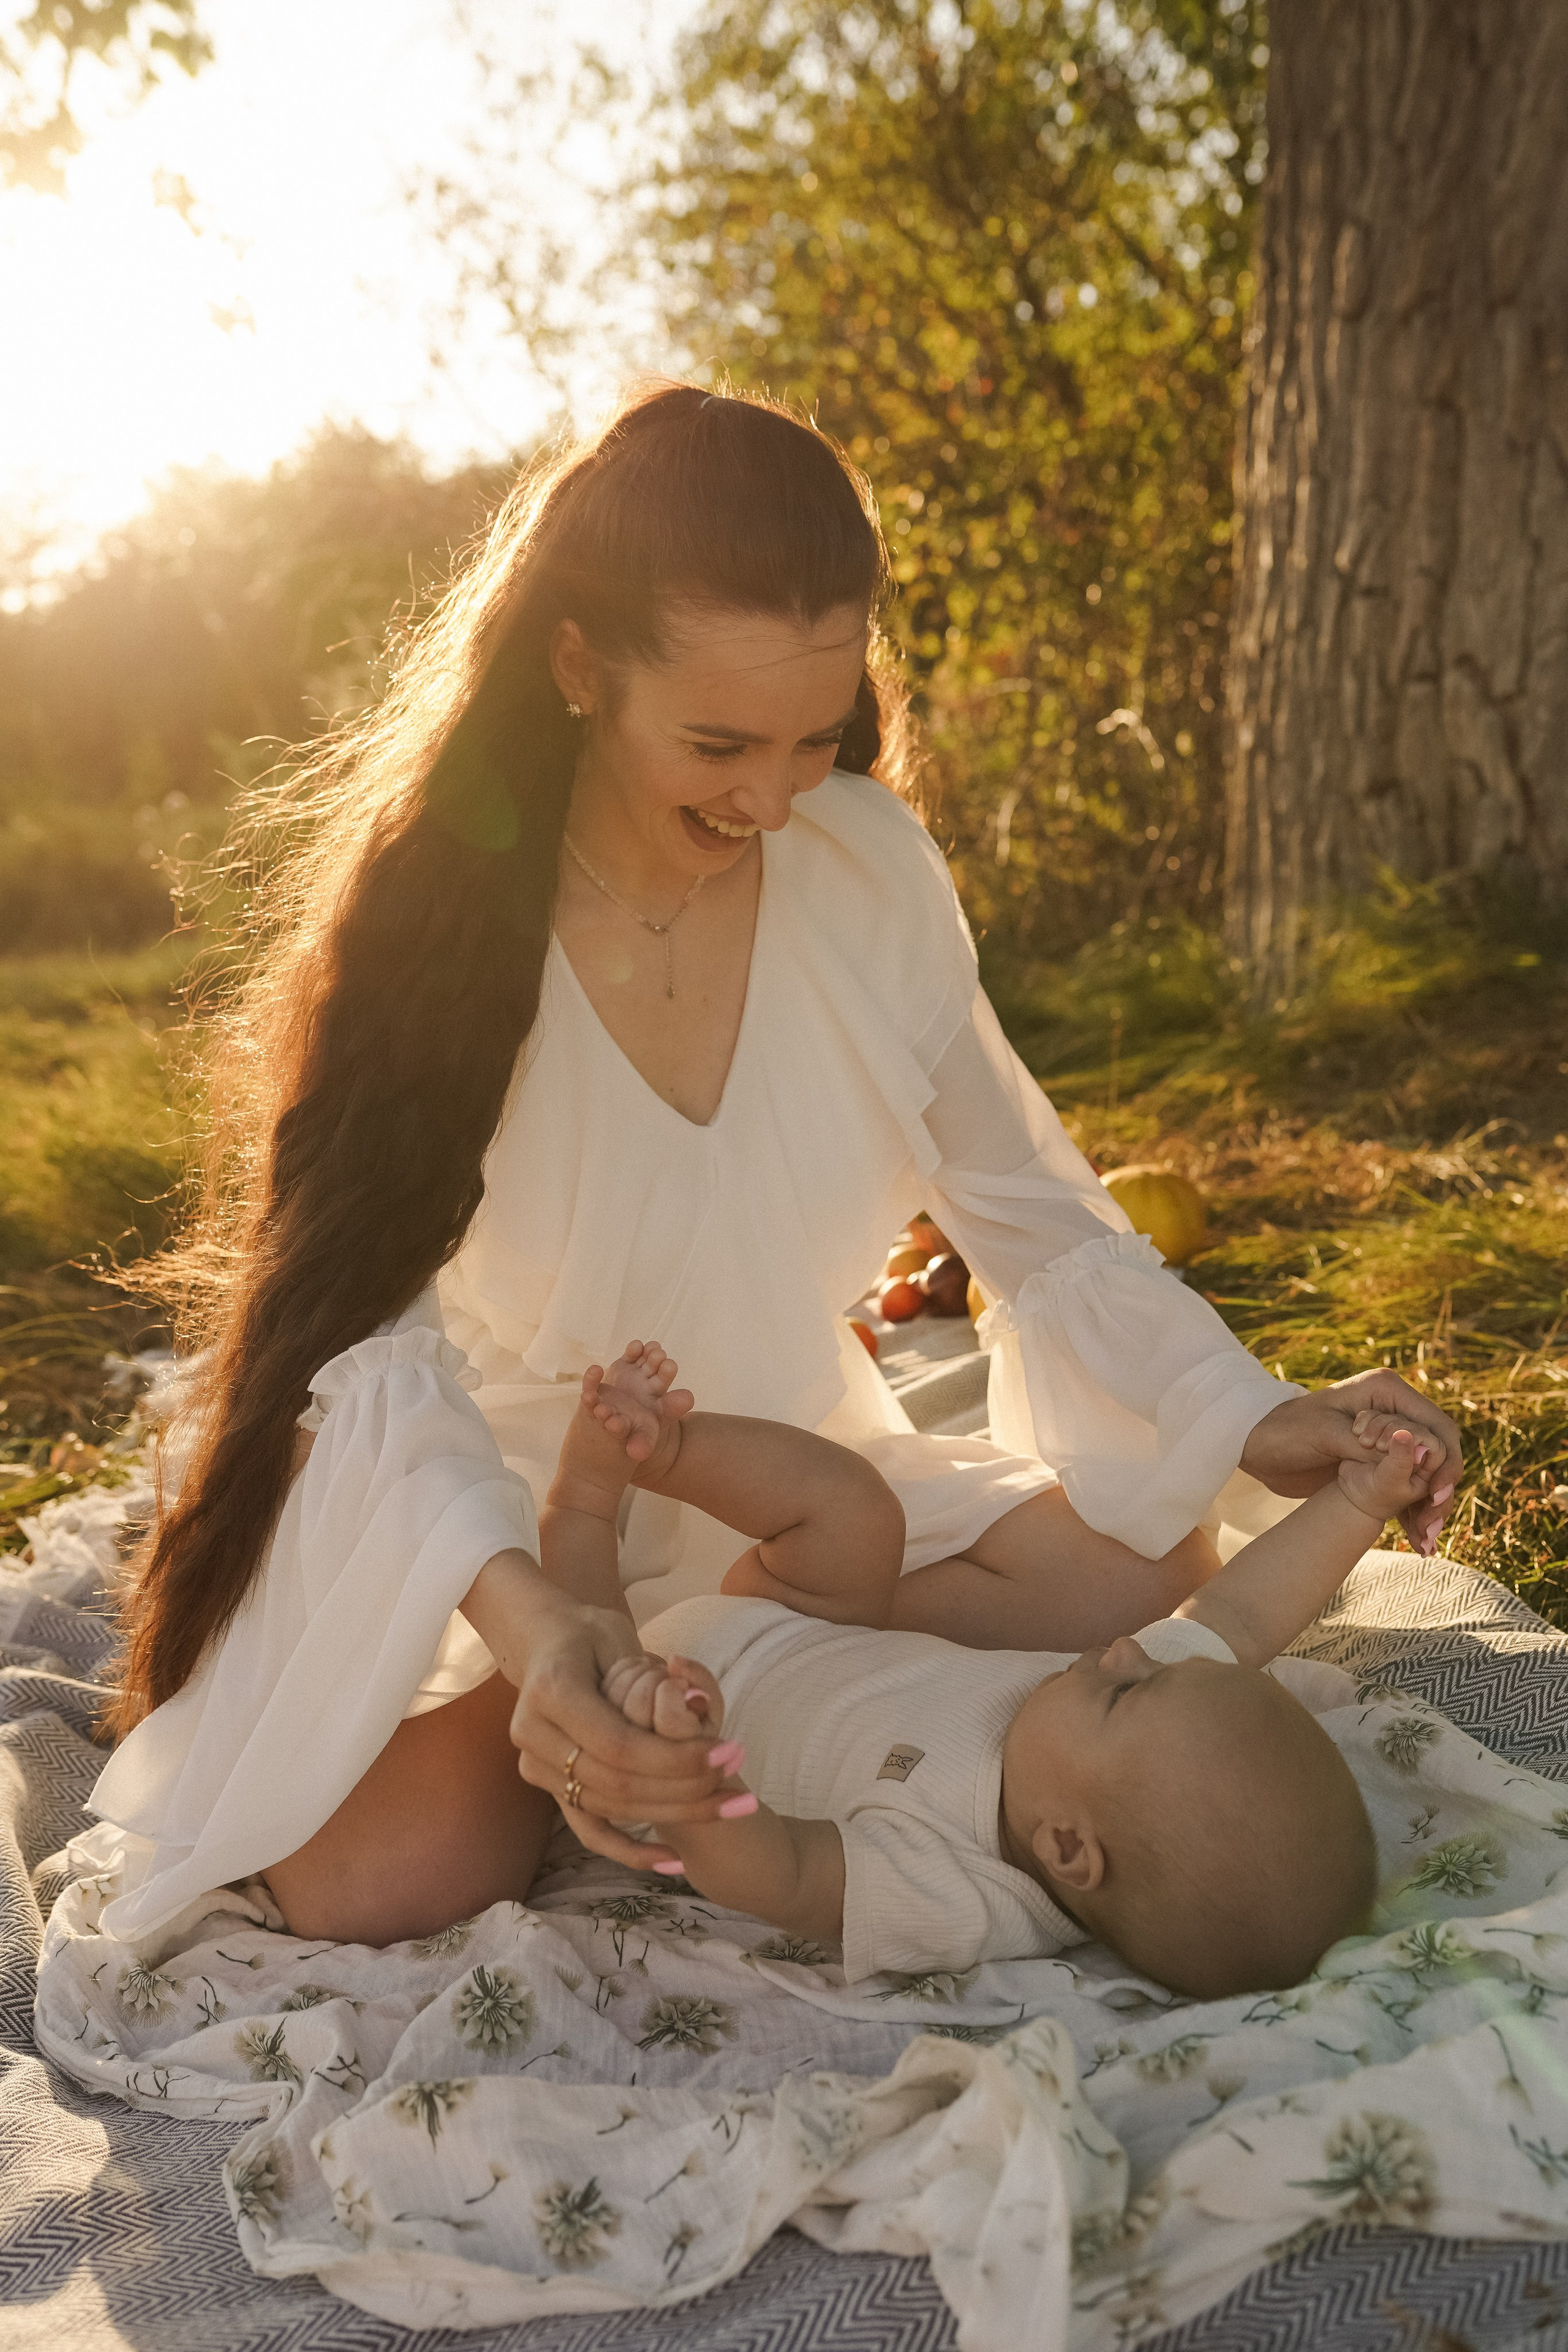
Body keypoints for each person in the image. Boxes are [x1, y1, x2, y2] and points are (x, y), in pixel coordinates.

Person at [91, 383, 1461, 1952]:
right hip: (521, 1500)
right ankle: (626, 1703)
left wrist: (1261, 1418)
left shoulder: (863, 866)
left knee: (1154, 1558)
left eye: (814, 736)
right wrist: (544, 1628)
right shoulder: (448, 924)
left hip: (792, 1491)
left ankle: (729, 1675)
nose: (769, 798)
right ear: (575, 669)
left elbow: (1032, 1211)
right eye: (718, 743)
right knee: (372, 1884)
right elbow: (365, 1342)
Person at [577, 1341, 1386, 2000]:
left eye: (1124, 1688)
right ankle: (668, 1449)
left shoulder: (958, 1893)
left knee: (587, 1664)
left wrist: (696, 1779)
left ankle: (581, 1500)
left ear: (1069, 1849)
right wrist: (1359, 1502)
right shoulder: (1148, 1741)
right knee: (858, 1509)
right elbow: (1236, 1616)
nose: (1125, 1650)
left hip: (689, 1714)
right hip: (802, 1621)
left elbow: (784, 1875)